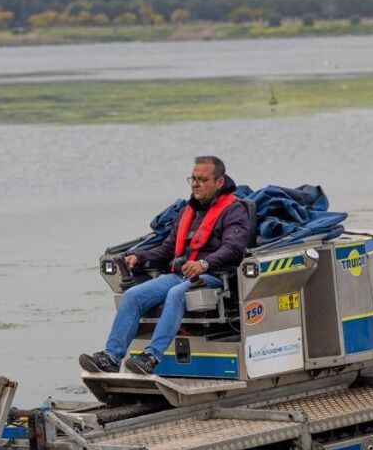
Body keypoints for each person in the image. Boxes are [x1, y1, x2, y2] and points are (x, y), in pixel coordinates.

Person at [80, 155, 252, 375]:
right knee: (133, 295)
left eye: (202, 179)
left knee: (176, 293)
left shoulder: (234, 210)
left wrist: (203, 264)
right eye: (193, 178)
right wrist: (139, 256)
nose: (196, 184)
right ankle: (112, 357)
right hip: (180, 275)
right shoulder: (188, 211)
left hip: (214, 278)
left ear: (219, 182)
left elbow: (234, 249)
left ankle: (151, 357)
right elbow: (168, 247)